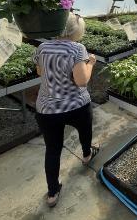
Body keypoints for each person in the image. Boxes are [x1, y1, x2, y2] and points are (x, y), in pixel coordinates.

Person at [33, 13, 99, 208]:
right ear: (75, 30)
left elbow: (40, 72)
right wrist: (90, 63)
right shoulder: (77, 48)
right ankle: (87, 155)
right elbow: (81, 80)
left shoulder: (42, 47)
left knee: (52, 150)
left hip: (47, 108)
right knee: (85, 132)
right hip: (75, 105)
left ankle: (52, 192)